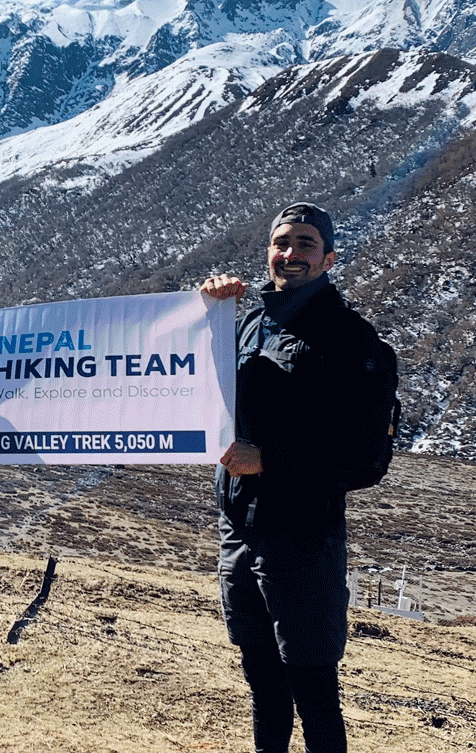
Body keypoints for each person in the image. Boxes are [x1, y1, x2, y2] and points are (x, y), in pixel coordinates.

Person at [199, 202, 391, 753]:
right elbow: (202, 387)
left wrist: (271, 460)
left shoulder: (354, 342)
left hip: (303, 535)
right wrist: (206, 312)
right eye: (282, 242)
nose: (292, 254)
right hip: (238, 527)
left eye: (306, 244)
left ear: (329, 258)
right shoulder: (251, 321)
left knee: (313, 688)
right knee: (262, 679)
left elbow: (366, 459)